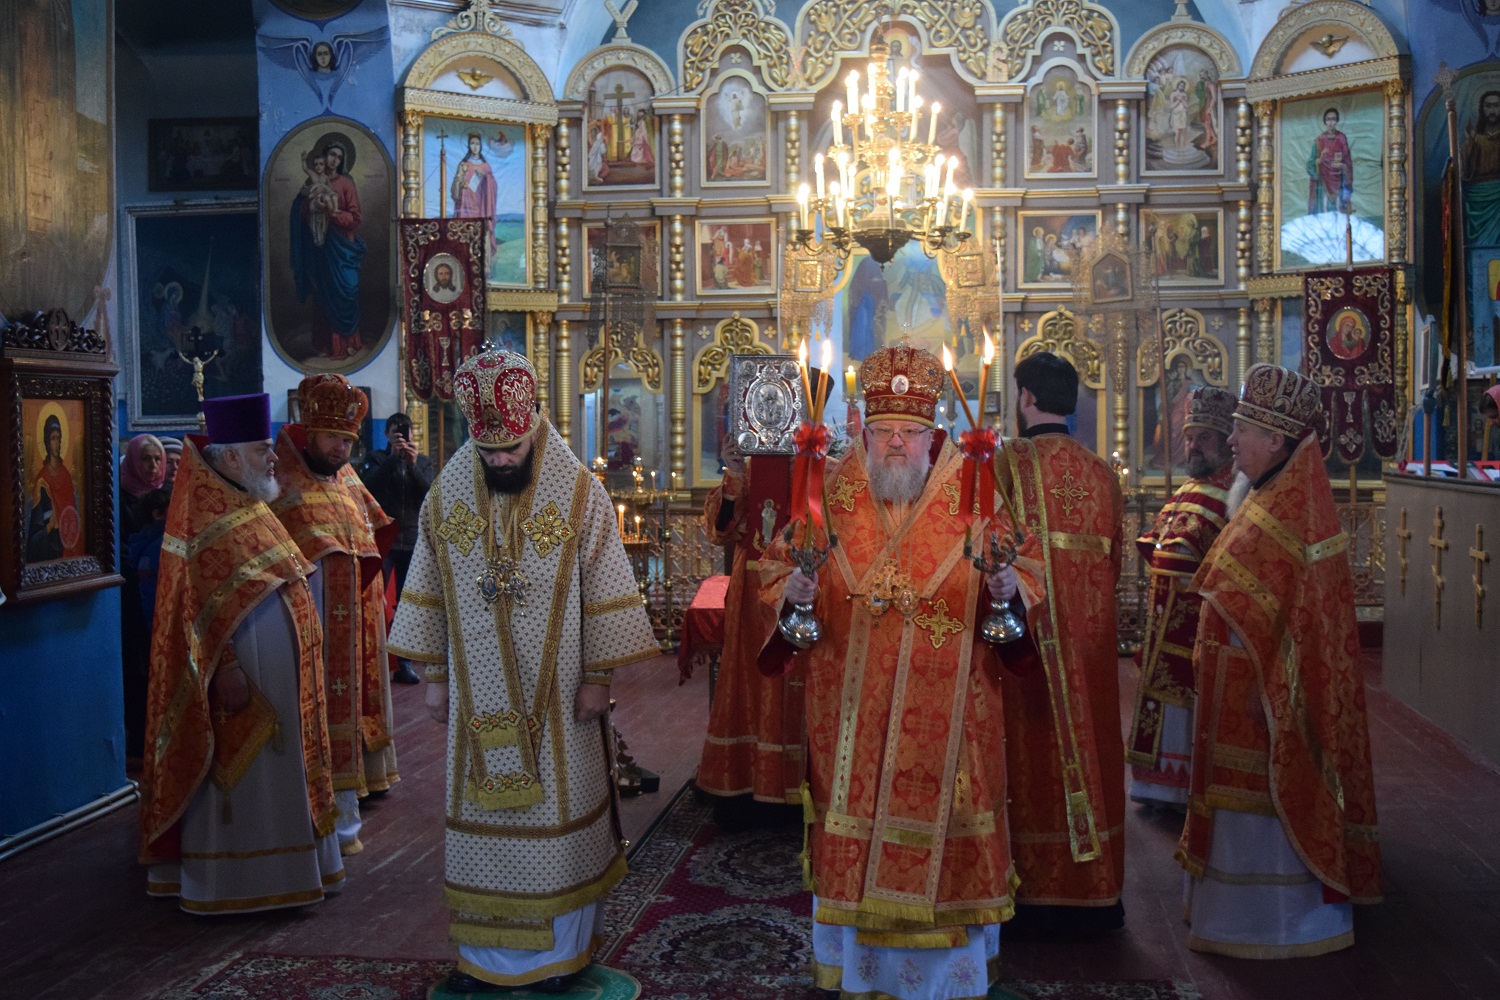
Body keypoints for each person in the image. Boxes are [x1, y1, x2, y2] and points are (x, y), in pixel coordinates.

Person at [388, 350, 658, 994]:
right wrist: (435, 678)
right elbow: (429, 588)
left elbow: (605, 590)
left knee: (558, 825)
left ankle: (559, 959)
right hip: (476, 707)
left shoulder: (579, 493)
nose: (502, 460)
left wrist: (598, 677)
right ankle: (485, 961)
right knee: (485, 833)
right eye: (490, 451)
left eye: (511, 448)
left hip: (562, 701)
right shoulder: (447, 494)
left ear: (533, 423)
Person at [762, 344, 1017, 1000]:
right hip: (853, 713)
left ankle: (949, 983)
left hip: (953, 716)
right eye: (883, 431)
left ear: (933, 436)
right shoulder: (828, 492)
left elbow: (1024, 566)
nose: (896, 443)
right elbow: (775, 568)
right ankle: (862, 972)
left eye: (909, 431)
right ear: (864, 433)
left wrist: (1010, 589)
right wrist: (791, 591)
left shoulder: (974, 491)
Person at [1176, 364, 1383, 956]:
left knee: (1260, 811)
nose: (1231, 440)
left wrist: (1262, 672)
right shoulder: (1264, 493)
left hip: (1266, 701)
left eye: (1242, 429)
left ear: (1275, 439)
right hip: (1238, 693)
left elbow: (1297, 624)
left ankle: (1275, 921)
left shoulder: (1291, 513)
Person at [138, 393, 343, 913]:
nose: (274, 457)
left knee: (281, 776)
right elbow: (194, 609)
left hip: (280, 680)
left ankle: (293, 867)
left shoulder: (250, 502)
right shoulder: (201, 518)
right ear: (230, 457)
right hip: (241, 681)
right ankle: (239, 880)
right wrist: (226, 665)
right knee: (246, 780)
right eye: (261, 449)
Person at [996, 350, 1126, 938]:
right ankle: (1095, 890)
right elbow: (1115, 566)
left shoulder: (1007, 464)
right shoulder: (1102, 474)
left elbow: (985, 554)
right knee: (1093, 749)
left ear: (1025, 398)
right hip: (1091, 649)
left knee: (1032, 760)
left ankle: (1032, 891)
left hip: (1027, 646)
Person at [272, 374, 400, 857]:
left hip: (355, 623)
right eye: (331, 438)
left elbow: (376, 527)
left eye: (347, 441)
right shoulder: (279, 480)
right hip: (309, 627)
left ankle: (349, 798)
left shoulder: (346, 478)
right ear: (309, 431)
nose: (340, 449)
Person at [694, 373, 829, 826]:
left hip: (809, 592)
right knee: (749, 682)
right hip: (752, 598)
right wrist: (733, 473)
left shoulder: (830, 469)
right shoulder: (752, 467)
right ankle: (746, 787)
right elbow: (721, 531)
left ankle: (801, 790)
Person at [1125, 387, 1238, 810]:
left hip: (1195, 623)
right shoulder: (1189, 487)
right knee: (1162, 700)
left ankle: (1180, 788)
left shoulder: (1235, 494)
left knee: (1185, 705)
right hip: (1163, 618)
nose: (1192, 446)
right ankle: (1156, 786)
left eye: (1203, 438)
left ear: (1224, 440)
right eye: (1189, 437)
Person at [360, 411, 436, 685]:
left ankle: (404, 663)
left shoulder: (423, 462)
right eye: (396, 432)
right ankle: (374, 660)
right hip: (384, 539)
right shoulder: (376, 459)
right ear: (387, 434)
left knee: (406, 604)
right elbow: (368, 488)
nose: (401, 436)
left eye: (405, 431)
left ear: (413, 434)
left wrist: (412, 466)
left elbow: (430, 495)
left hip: (412, 539)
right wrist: (392, 459)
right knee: (374, 599)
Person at [291, 137, 366, 362]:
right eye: (332, 155)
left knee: (347, 291)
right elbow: (300, 210)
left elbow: (355, 217)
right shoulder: (313, 181)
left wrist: (334, 215)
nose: (334, 160)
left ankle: (348, 343)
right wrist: (313, 206)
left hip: (342, 247)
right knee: (323, 294)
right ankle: (325, 344)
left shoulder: (346, 184)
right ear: (324, 156)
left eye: (339, 157)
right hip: (321, 247)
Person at [120, 433, 168, 761]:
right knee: (137, 669)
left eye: (157, 460)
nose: (152, 466)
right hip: (131, 596)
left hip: (161, 592)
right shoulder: (119, 497)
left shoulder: (166, 496)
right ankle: (139, 743)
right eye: (146, 459)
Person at [451, 132, 499, 260]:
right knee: (465, 236)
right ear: (468, 145)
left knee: (480, 236)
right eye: (472, 143)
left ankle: (482, 263)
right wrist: (461, 184)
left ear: (481, 146)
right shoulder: (463, 165)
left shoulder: (485, 167)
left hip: (480, 206)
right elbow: (454, 188)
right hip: (464, 206)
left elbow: (493, 186)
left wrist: (486, 177)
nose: (475, 147)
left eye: (477, 144)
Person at [1307, 107, 1354, 215]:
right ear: (1325, 121)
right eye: (1328, 119)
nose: (1330, 123)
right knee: (1324, 211)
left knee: (1338, 212)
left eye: (1333, 119)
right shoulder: (1319, 140)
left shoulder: (1341, 138)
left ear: (1337, 121)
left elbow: (1347, 161)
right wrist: (1320, 159)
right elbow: (1310, 164)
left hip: (1339, 181)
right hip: (1323, 182)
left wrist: (1342, 166)